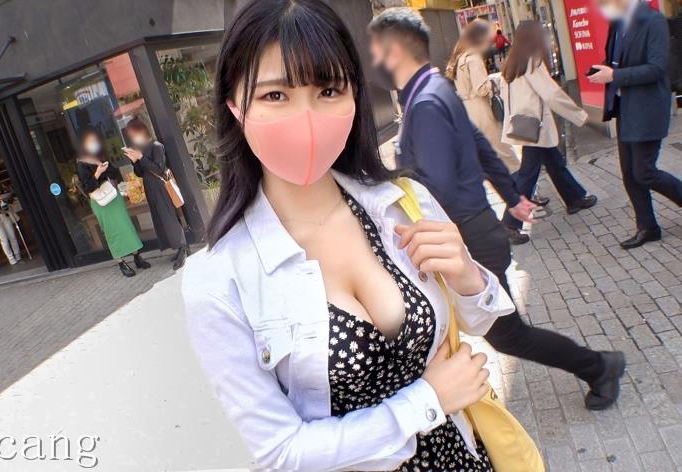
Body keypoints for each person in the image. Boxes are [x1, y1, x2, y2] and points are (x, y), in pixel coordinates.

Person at [182, 1, 520, 470]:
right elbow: (281, 453)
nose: (306, 117)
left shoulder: (400, 203)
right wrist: (426, 402)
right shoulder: (220, 279)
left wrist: (466, 275)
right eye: (275, 95)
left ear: (354, 96)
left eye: (328, 90)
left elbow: (481, 322)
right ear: (235, 107)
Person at [369, 7, 624, 411]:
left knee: (508, 336)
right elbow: (480, 147)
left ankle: (599, 366)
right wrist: (513, 196)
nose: (375, 63)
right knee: (490, 332)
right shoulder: (435, 89)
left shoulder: (427, 102)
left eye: (377, 52)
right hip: (479, 231)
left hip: (470, 240)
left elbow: (436, 188)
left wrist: (387, 191)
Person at [589, 0, 682, 249]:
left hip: (647, 108)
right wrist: (604, 69)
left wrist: (615, 75)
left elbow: (656, 68)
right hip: (624, 108)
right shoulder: (617, 23)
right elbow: (617, 60)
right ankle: (648, 227)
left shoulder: (654, 21)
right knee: (629, 174)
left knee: (644, 172)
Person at [499, 20, 599, 241]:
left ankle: (574, 198)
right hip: (537, 126)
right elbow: (552, 94)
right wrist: (579, 115)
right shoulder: (532, 61)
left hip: (525, 125)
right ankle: (509, 223)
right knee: (528, 175)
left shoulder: (513, 62)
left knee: (554, 162)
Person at [447, 19, 520, 173]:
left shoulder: (460, 57)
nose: (490, 42)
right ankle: (522, 184)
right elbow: (481, 89)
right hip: (481, 110)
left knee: (487, 154)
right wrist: (495, 80)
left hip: (467, 111)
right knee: (504, 151)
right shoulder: (473, 58)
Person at [76, 128, 150, 277]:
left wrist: (105, 168)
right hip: (100, 202)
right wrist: (97, 173)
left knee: (126, 226)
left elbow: (114, 173)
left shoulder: (101, 156)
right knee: (112, 232)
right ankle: (121, 263)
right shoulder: (82, 163)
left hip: (113, 196)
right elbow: (87, 187)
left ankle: (137, 256)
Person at [123, 119, 189, 270]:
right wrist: (134, 161)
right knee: (161, 219)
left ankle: (183, 248)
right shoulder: (142, 149)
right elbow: (140, 173)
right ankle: (178, 247)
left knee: (169, 217)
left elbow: (159, 168)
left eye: (134, 133)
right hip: (150, 188)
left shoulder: (156, 146)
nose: (133, 137)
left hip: (161, 187)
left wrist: (141, 158)